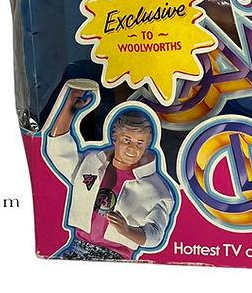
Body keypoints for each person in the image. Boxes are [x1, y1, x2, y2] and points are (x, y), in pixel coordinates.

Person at [43, 80, 177, 261]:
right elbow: (58, 151)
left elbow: (155, 235)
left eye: (140, 143)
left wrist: (127, 230)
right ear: (115, 138)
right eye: (127, 140)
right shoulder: (92, 164)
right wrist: (70, 108)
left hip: (116, 257)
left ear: (147, 146)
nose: (132, 148)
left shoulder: (155, 190)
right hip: (78, 247)